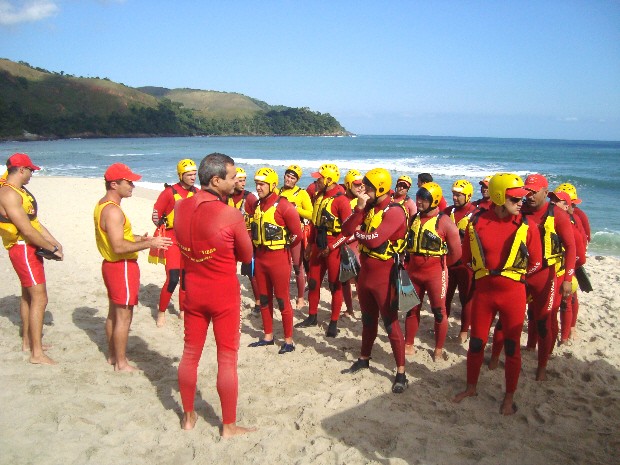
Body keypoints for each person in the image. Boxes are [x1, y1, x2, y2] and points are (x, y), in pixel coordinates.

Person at [174, 153, 256, 436]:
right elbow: (247, 256)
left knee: (190, 354)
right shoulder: (229, 213)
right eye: (232, 178)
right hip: (222, 293)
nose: (237, 182)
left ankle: (188, 417)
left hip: (193, 289)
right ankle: (229, 426)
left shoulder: (181, 208)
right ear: (216, 180)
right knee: (226, 358)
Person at [453, 173, 542, 415]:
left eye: (522, 198)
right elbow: (467, 258)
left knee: (512, 348)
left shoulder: (527, 226)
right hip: (484, 295)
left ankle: (508, 397)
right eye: (515, 198)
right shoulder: (477, 222)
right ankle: (471, 387)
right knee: (476, 344)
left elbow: (536, 263)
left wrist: (513, 277)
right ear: (500, 197)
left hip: (513, 295)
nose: (521, 202)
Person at [94, 163, 172, 372]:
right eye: (128, 182)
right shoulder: (113, 211)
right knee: (124, 316)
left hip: (112, 265)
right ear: (114, 184)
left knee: (114, 313)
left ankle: (112, 356)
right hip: (122, 266)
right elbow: (119, 246)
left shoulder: (103, 205)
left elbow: (118, 238)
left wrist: (140, 238)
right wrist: (149, 243)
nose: (133, 186)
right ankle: (121, 363)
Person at [342, 168, 409, 392]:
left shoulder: (395, 211)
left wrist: (359, 234)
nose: (363, 190)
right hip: (366, 273)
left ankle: (401, 372)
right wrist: (359, 210)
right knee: (368, 320)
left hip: (385, 272)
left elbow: (374, 239)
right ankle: (364, 358)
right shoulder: (369, 208)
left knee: (390, 323)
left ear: (379, 188)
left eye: (367, 187)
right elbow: (346, 230)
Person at [0, 153, 63, 365]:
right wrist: (51, 248)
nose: (32, 175)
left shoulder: (19, 192)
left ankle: (28, 342)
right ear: (21, 170)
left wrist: (53, 241)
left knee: (28, 295)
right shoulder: (8, 194)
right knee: (40, 297)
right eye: (30, 171)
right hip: (22, 249)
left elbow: (34, 222)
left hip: (26, 248)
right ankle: (37, 354)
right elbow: (26, 230)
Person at [520, 173, 576, 381]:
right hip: (521, 272)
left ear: (546, 192)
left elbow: (571, 247)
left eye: (534, 192)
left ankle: (542, 365)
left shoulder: (557, 215)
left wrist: (568, 278)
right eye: (527, 192)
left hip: (546, 274)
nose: (530, 196)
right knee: (510, 318)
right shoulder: (520, 210)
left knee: (544, 321)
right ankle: (500, 357)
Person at [404, 182, 461, 360]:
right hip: (413, 271)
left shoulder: (444, 222)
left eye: (424, 199)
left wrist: (440, 265)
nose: (419, 202)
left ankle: (438, 349)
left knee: (438, 311)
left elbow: (456, 253)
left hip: (435, 273)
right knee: (411, 308)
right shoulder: (413, 219)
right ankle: (409, 344)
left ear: (434, 200)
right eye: (418, 198)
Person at [247, 168, 302, 353]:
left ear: (272, 185)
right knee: (264, 299)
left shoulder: (284, 206)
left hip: (278, 259)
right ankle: (268, 336)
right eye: (256, 184)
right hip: (261, 258)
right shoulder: (256, 206)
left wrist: (284, 246)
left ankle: (288, 341)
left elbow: (297, 234)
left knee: (282, 299)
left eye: (261, 184)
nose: (258, 187)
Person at [296, 163, 352, 337]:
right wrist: (310, 245)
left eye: (318, 178)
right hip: (319, 246)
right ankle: (312, 316)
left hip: (333, 248)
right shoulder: (319, 197)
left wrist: (332, 246)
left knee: (335, 285)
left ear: (328, 180)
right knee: (313, 282)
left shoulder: (342, 201)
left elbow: (348, 231)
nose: (315, 182)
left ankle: (333, 322)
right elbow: (314, 223)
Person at [151, 159, 197, 327]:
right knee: (173, 278)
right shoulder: (169, 193)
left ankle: (183, 310)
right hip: (171, 240)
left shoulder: (197, 192)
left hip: (188, 241)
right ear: (180, 175)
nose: (193, 177)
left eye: (194, 174)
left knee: (186, 279)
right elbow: (155, 215)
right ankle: (161, 311)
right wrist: (160, 226)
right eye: (189, 175)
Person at [548, 189, 586, 344]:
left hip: (565, 273)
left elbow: (581, 255)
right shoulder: (548, 223)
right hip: (550, 273)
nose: (553, 203)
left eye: (558, 201)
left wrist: (569, 273)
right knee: (548, 310)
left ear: (566, 206)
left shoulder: (572, 226)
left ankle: (565, 336)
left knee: (567, 303)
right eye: (553, 200)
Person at [443, 179, 478, 343]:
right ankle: (442, 325)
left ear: (468, 196)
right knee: (445, 298)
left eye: (459, 195)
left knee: (466, 299)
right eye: (454, 194)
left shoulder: (476, 214)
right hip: (448, 264)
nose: (455, 198)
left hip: (466, 266)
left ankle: (464, 331)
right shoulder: (447, 211)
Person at [278, 164, 313, 309]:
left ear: (296, 180)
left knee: (298, 267)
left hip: (295, 234)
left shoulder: (302, 193)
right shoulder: (278, 191)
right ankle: (284, 294)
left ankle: (300, 298)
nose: (289, 179)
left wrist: (295, 208)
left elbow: (311, 213)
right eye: (287, 176)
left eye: (293, 178)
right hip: (280, 234)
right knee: (283, 267)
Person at [227, 167, 260, 315]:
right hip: (229, 241)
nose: (243, 183)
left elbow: (259, 218)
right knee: (228, 271)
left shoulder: (250, 198)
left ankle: (258, 303)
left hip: (247, 240)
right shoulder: (225, 197)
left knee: (252, 273)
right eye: (239, 180)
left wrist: (255, 240)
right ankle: (229, 300)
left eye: (244, 180)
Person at [341, 169, 364, 317]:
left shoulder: (363, 200)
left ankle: (361, 304)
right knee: (344, 278)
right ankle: (349, 309)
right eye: (356, 185)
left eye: (361, 185)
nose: (360, 187)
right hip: (343, 243)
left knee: (360, 276)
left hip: (356, 241)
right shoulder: (341, 200)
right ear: (348, 184)